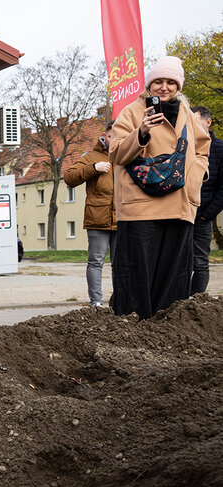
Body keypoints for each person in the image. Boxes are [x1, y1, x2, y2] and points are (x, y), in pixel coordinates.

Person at [109, 56, 210, 319]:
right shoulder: (132, 112)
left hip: (179, 204)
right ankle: (131, 328)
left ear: (178, 86)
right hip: (141, 206)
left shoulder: (189, 116)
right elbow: (116, 154)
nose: (164, 87)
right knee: (136, 274)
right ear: (149, 84)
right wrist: (140, 132)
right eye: (158, 82)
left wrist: (195, 175)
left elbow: (202, 150)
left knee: (173, 277)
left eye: (170, 82)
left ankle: (165, 333)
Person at [64, 120, 116, 308]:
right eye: (111, 136)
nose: (114, 139)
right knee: (96, 262)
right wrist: (94, 168)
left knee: (122, 264)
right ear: (104, 136)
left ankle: (119, 301)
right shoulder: (91, 156)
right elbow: (69, 178)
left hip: (123, 219)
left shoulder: (126, 156)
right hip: (97, 218)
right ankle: (96, 302)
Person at [190, 106, 223, 294]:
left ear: (207, 122)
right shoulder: (184, 147)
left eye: (195, 121)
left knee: (200, 262)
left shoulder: (219, 148)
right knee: (180, 262)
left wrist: (207, 215)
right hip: (181, 213)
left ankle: (195, 302)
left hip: (202, 216)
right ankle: (179, 302)